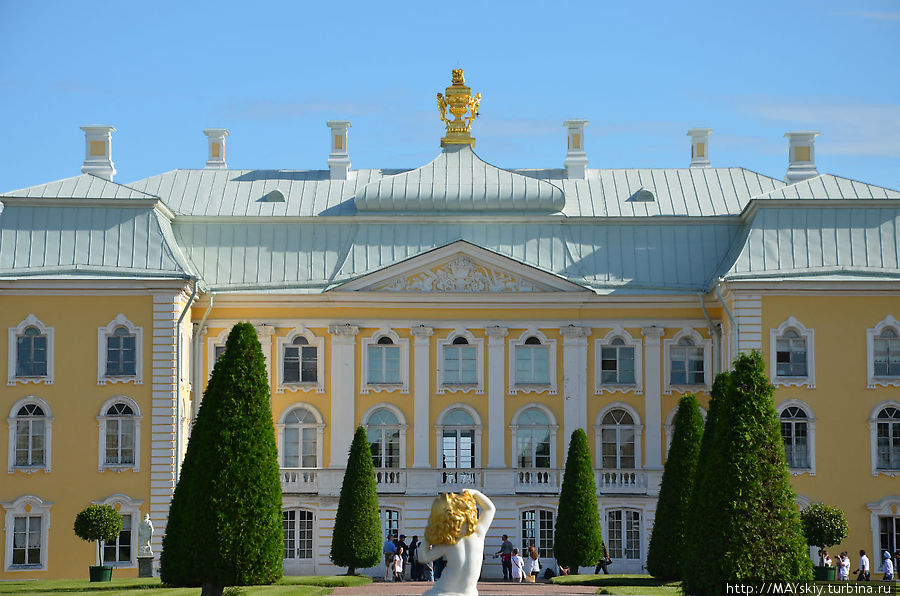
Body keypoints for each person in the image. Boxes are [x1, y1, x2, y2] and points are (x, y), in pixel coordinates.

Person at [419, 489, 496, 596]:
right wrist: (475, 493)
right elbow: (490, 509)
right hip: (468, 592)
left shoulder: (449, 541)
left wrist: (427, 536)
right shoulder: (478, 533)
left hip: (444, 589)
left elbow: (423, 558)